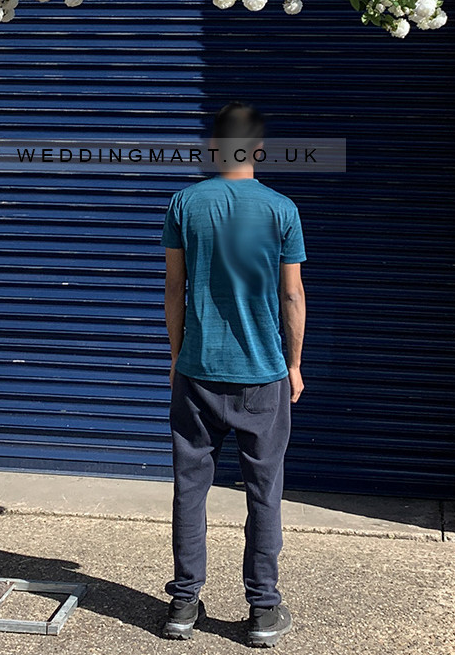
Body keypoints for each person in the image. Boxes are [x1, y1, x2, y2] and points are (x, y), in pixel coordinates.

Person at [160, 102, 306, 648]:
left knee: (190, 489)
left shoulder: (184, 204)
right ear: (259, 149)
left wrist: (176, 354)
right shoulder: (281, 209)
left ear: (215, 148)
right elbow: (291, 293)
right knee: (265, 492)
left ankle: (182, 604)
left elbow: (175, 289)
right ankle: (263, 611)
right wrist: (293, 364)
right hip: (263, 375)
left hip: (197, 371)